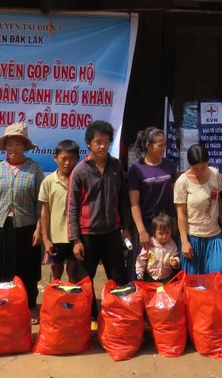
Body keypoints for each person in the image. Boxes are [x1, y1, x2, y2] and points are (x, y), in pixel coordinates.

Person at [68, 120, 132, 320]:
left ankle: (119, 318)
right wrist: (76, 240)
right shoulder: (80, 171)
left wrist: (126, 228)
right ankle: (90, 320)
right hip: (87, 235)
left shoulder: (116, 166)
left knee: (119, 279)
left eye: (106, 141)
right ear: (89, 143)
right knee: (85, 281)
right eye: (98, 142)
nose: (102, 146)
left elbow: (122, 199)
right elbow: (72, 207)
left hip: (112, 233)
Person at [0, 122, 44, 309]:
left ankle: (28, 306)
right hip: (0, 227)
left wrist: (39, 229)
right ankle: (1, 307)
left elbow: (40, 203)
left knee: (26, 269)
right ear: (5, 148)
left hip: (26, 227)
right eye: (9, 144)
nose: (13, 148)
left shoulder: (34, 169)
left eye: (18, 144)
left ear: (25, 146)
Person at [174, 143, 222, 294]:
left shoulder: (214, 173)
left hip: (214, 234)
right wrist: (184, 241)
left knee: (220, 275)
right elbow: (180, 213)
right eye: (195, 167)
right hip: (193, 236)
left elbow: (217, 200)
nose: (200, 170)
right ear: (189, 164)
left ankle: (218, 313)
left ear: (208, 162)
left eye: (203, 166)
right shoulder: (182, 182)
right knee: (194, 284)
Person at [126, 126, 178, 280]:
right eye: (160, 145)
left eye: (165, 144)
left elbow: (176, 197)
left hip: (167, 226)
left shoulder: (169, 165)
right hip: (146, 226)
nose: (164, 148)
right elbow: (134, 203)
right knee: (143, 267)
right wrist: (141, 230)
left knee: (168, 266)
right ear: (148, 146)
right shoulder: (137, 170)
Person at [39, 139, 80, 282]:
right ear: (55, 158)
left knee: (73, 270)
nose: (67, 163)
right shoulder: (48, 181)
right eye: (64, 159)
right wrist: (45, 238)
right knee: (56, 270)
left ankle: (72, 299)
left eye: (72, 159)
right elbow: (45, 211)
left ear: (77, 159)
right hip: (55, 236)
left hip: (75, 235)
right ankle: (53, 300)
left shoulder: (79, 180)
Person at [135, 213, 180, 282]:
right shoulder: (149, 243)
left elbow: (175, 255)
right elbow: (141, 259)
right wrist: (139, 272)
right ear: (154, 232)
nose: (164, 236)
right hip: (150, 277)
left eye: (167, 232)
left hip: (166, 278)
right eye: (161, 233)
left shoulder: (172, 244)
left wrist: (176, 261)